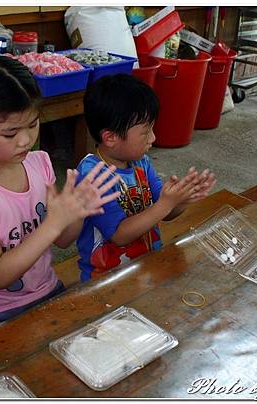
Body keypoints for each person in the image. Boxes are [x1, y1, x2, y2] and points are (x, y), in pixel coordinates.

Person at [0, 56, 120, 338]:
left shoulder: (39, 163)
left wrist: (75, 212)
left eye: (33, 124)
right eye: (10, 133)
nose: (25, 140)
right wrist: (53, 223)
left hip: (48, 290)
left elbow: (62, 240)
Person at [76, 74, 217, 282]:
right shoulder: (93, 175)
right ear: (111, 137)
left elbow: (164, 211)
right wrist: (166, 203)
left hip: (146, 266)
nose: (153, 138)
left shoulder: (140, 162)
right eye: (145, 132)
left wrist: (183, 198)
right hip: (107, 278)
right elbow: (119, 235)